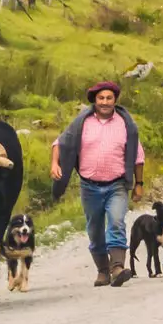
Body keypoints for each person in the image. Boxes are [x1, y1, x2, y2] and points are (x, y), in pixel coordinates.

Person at [51, 81, 145, 287]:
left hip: (117, 184)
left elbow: (138, 157)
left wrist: (139, 183)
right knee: (94, 230)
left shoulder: (126, 124)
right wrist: (54, 163)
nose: (104, 102)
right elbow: (60, 143)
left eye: (109, 98)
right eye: (101, 98)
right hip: (89, 186)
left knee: (117, 221)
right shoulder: (82, 123)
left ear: (115, 100)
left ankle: (117, 267)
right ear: (94, 100)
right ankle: (103, 270)